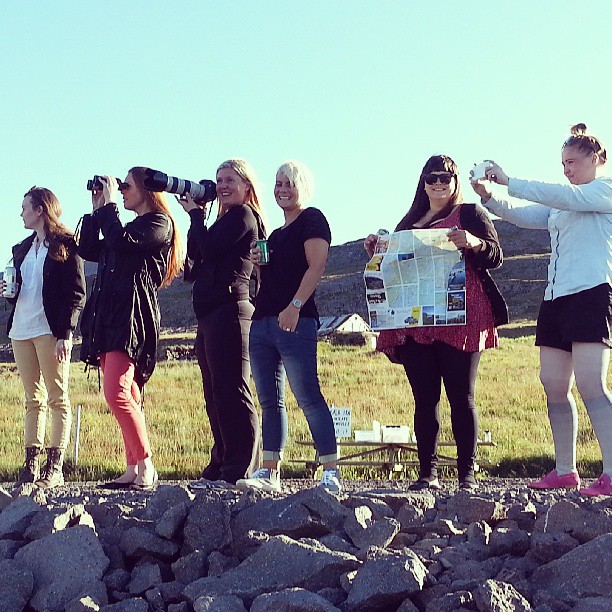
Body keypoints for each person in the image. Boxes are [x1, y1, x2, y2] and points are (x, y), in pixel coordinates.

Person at [472, 124, 612, 497]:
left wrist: (509, 180)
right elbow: (525, 215)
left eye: (572, 162)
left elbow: (562, 196)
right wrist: (490, 196)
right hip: (555, 299)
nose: (566, 169)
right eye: (562, 163)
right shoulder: (561, 203)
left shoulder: (604, 190)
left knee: (591, 385)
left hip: (592, 294)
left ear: (596, 159)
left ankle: (611, 473)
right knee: (553, 384)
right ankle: (565, 470)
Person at [365, 155, 508, 490]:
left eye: (446, 177)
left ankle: (466, 476)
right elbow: (395, 269)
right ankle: (427, 474)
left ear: (456, 181)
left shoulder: (471, 214)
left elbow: (496, 256)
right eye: (432, 178)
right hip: (416, 322)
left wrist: (473, 242)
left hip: (460, 318)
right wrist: (377, 251)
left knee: (462, 397)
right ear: (423, 182)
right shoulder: (407, 223)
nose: (439, 183)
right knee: (424, 399)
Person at [236, 160, 342, 494]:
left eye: (289, 184)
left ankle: (331, 472)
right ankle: (270, 471)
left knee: (308, 395)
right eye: (278, 184)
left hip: (296, 320)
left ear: (302, 187)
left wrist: (295, 306)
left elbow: (317, 265)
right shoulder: (276, 235)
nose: (282, 190)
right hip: (262, 321)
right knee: (270, 401)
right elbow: (271, 280)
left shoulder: (312, 219)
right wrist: (258, 266)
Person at [78, 168, 182, 490]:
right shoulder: (127, 229)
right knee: (129, 395)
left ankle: (146, 465)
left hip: (131, 319)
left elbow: (119, 240)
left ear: (147, 191)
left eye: (126, 186)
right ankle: (134, 466)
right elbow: (88, 249)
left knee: (117, 394)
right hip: (110, 318)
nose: (121, 191)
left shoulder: (159, 224)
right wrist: (98, 208)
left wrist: (109, 208)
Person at [180, 159, 266, 487]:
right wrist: (198, 218)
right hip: (210, 314)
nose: (222, 186)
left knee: (232, 390)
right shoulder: (224, 219)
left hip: (231, 312)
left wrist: (195, 216)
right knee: (215, 393)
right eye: (219, 180)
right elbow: (197, 253)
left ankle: (241, 467)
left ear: (247, 185)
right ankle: (221, 462)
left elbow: (211, 247)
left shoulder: (244, 215)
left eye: (230, 179)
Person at [3, 187, 85, 489]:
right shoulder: (22, 249)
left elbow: (77, 293)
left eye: (25, 207)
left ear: (40, 210)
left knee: (57, 398)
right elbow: (23, 288)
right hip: (21, 330)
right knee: (32, 399)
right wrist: (8, 293)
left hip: (50, 331)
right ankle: (31, 466)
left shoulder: (66, 245)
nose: (21, 213)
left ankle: (55, 467)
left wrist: (66, 333)